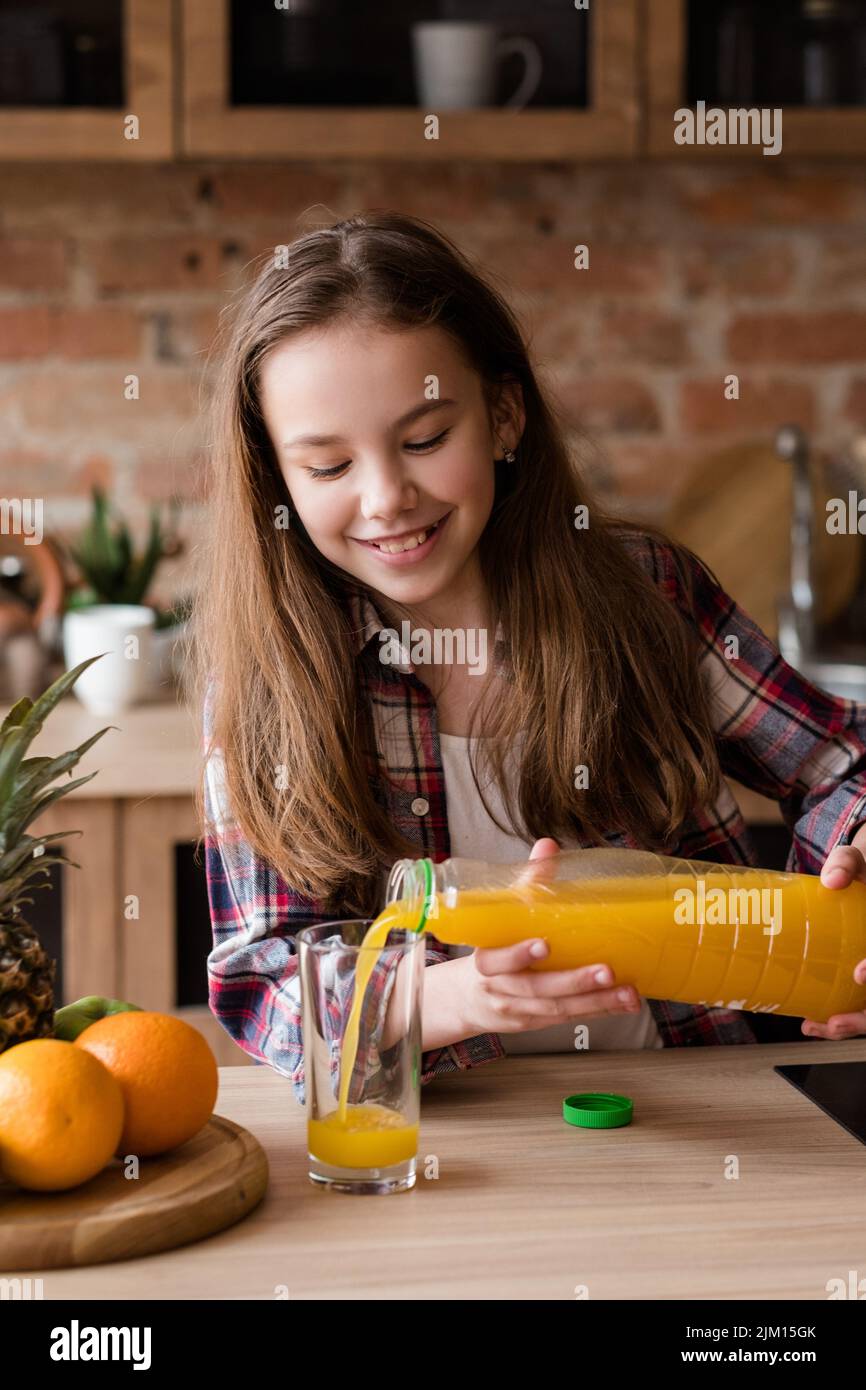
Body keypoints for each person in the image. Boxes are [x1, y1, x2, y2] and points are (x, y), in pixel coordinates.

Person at [186, 211, 866, 1107]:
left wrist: (855, 853)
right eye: (327, 466)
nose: (387, 498)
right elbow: (261, 978)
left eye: (425, 439)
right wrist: (450, 997)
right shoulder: (264, 682)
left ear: (503, 416)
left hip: (703, 1104)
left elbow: (840, 762)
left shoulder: (645, 593)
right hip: (456, 1145)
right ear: (276, 477)